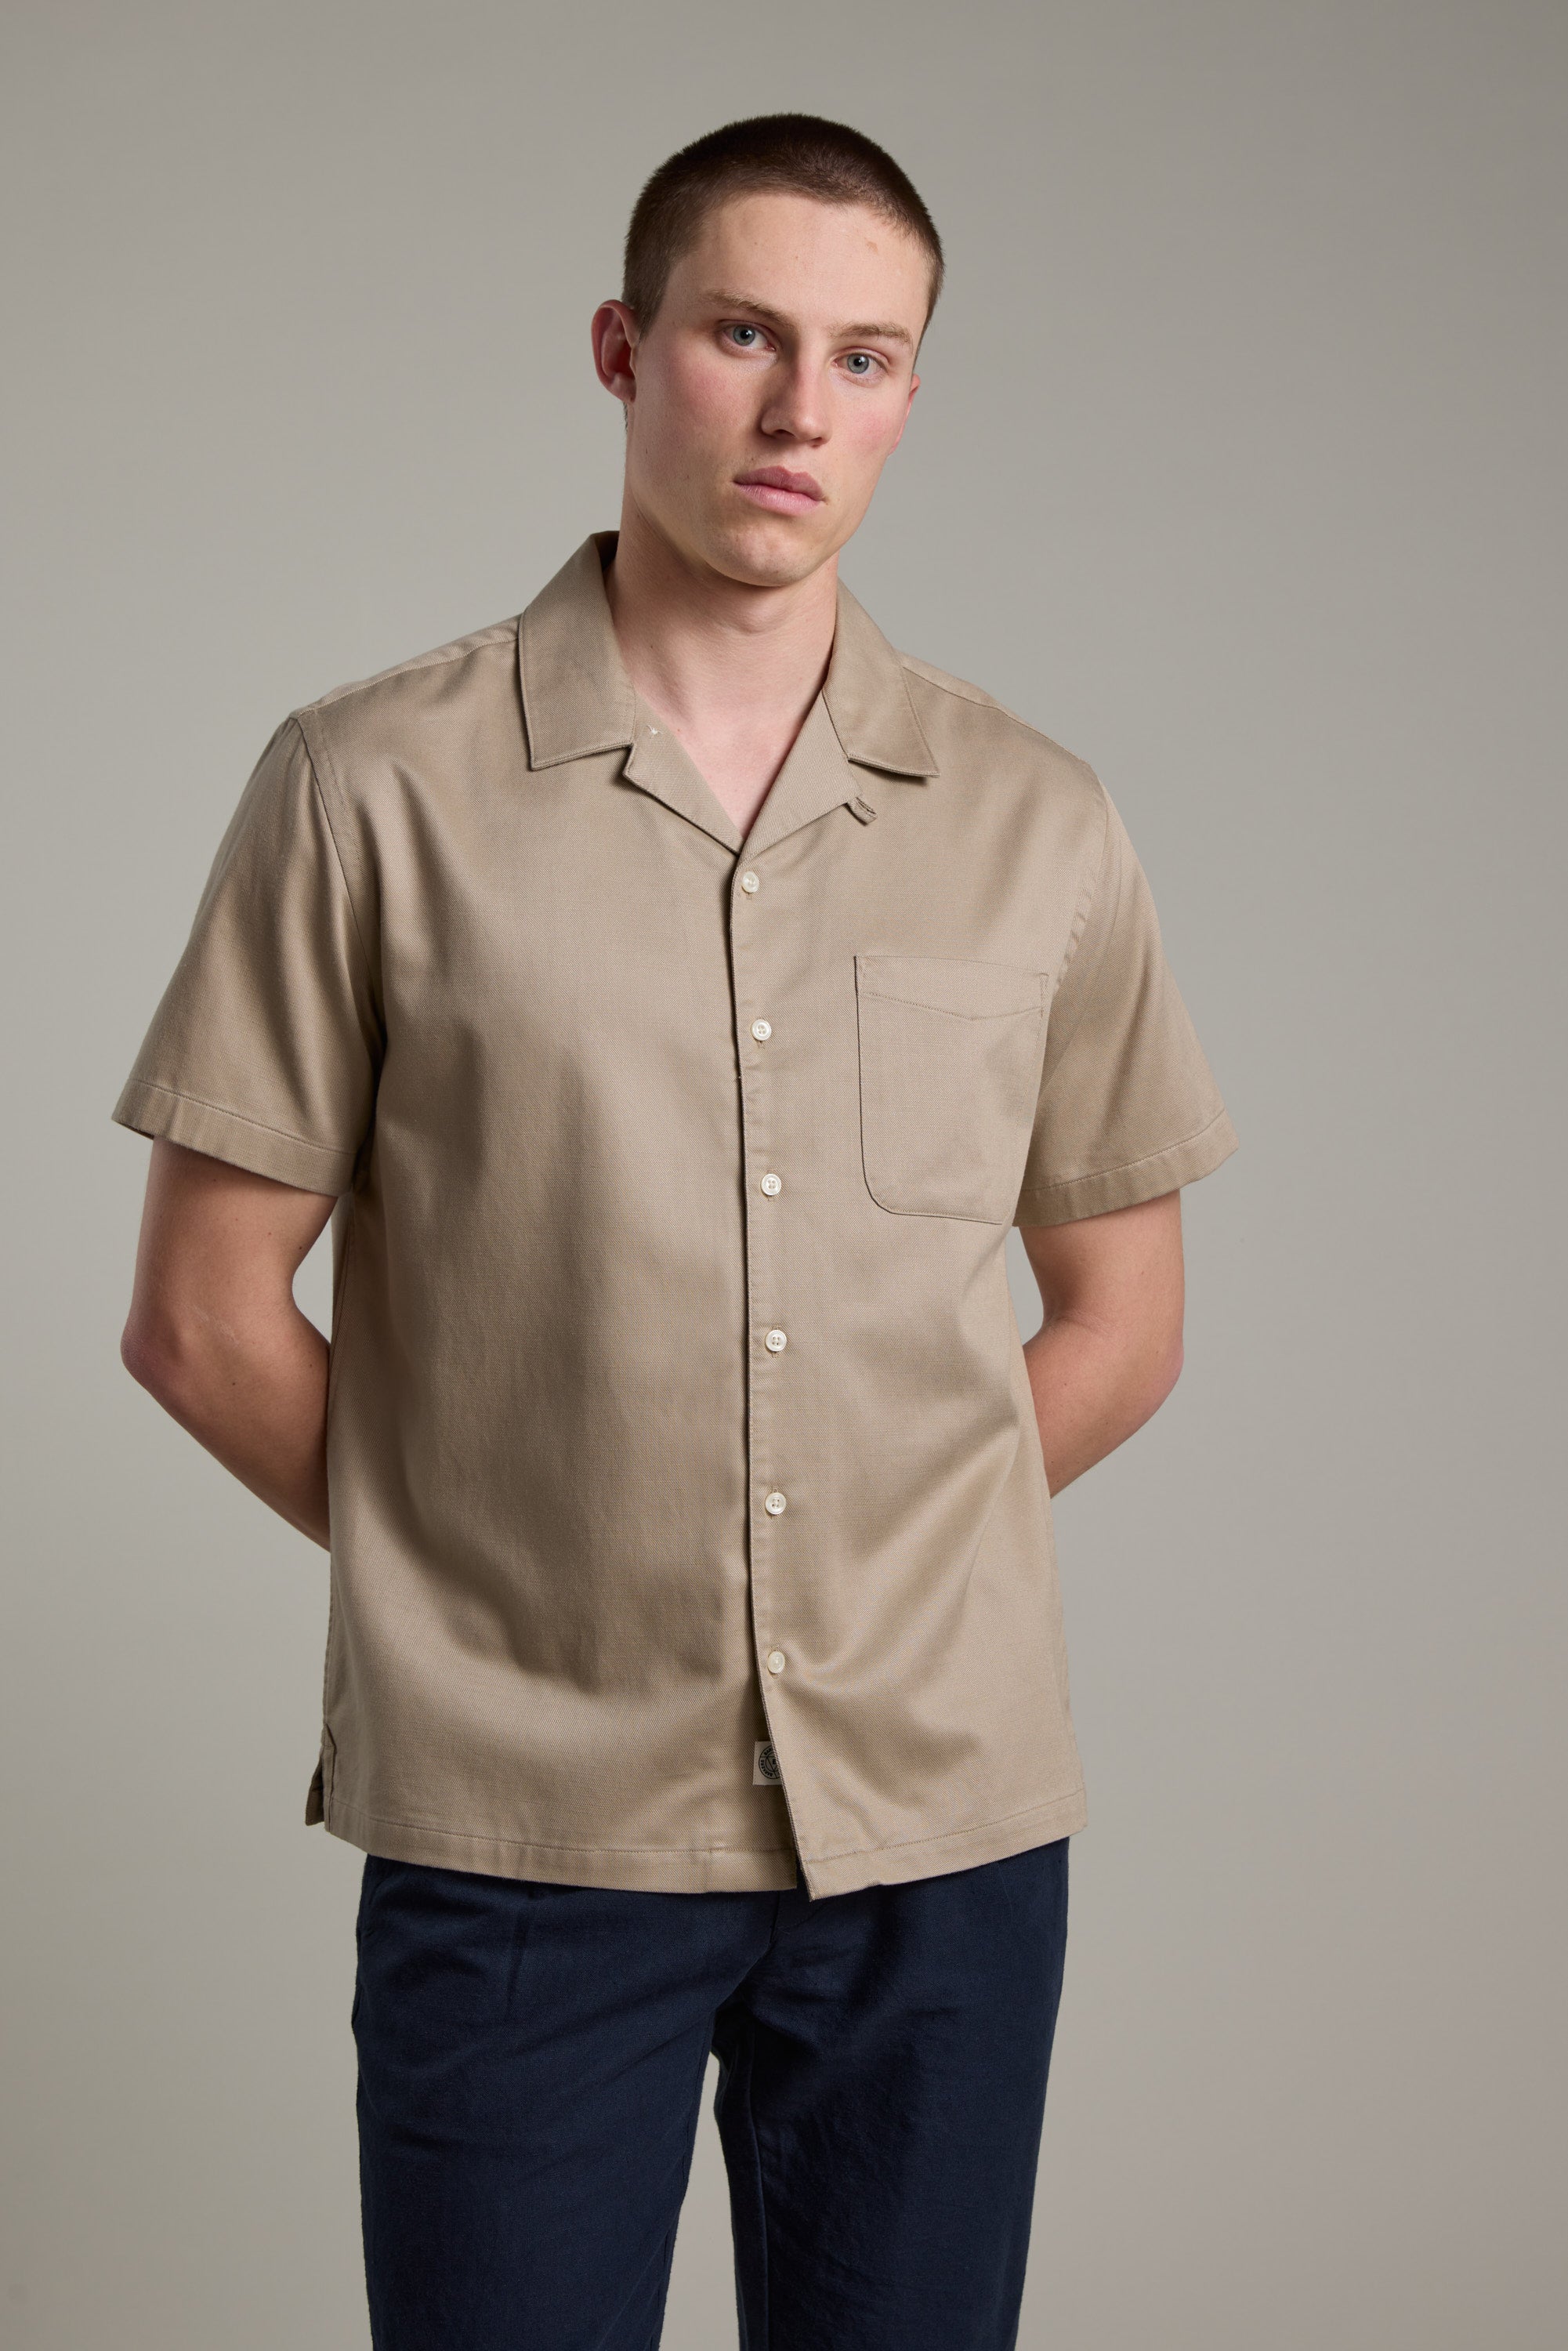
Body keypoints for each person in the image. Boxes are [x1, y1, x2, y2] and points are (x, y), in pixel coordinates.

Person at [113, 112, 1238, 2351]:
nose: (802, 409)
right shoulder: (369, 786)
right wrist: (490, 1589)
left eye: (868, 356)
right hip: (521, 1838)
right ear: (626, 352)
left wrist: (879, 1585)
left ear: (914, 394)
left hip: (941, 1840)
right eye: (744, 335)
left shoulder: (1036, 821)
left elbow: (1118, 1320)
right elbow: (204, 1322)